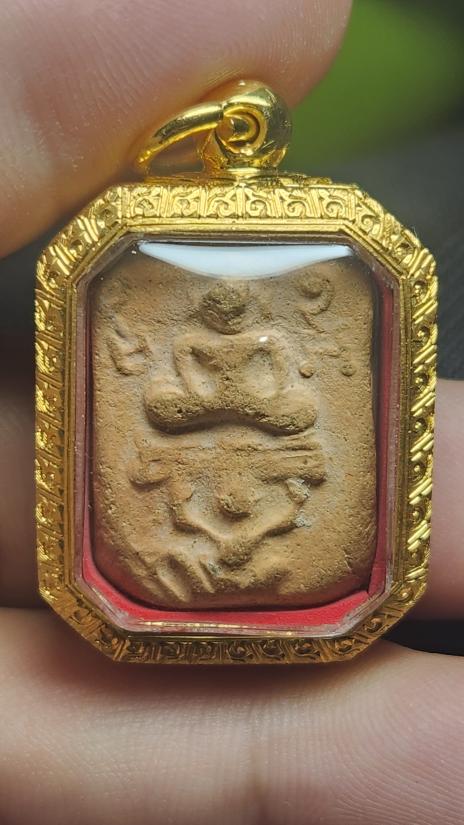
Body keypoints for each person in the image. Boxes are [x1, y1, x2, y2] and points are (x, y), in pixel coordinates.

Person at [0, 2, 463, 822]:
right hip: (193, 429)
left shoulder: (275, 340)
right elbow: (172, 397)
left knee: (289, 416)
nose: (222, 313)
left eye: (232, 306)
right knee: (175, 412)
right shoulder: (181, 335)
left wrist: (252, 406)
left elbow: (288, 399)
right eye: (213, 305)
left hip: (259, 425)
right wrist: (214, 403)